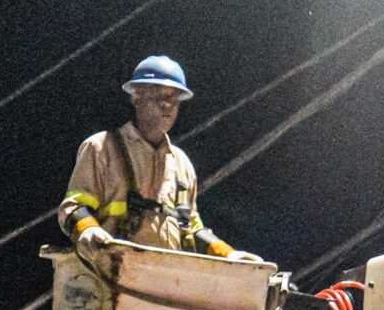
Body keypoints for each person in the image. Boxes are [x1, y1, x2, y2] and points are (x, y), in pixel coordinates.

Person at [59, 55, 262, 262]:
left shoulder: (181, 164)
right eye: (157, 94)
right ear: (135, 97)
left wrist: (228, 254)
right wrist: (87, 229)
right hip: (109, 275)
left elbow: (189, 228)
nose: (166, 105)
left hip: (164, 282)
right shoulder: (102, 148)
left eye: (173, 98)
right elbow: (73, 207)